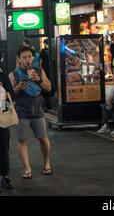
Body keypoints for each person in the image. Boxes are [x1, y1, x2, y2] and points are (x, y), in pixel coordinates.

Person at [9, 47, 52, 179]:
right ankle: (27, 168)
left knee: (43, 139)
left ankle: (47, 162)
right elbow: (8, 95)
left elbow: (49, 88)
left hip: (37, 110)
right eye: (24, 57)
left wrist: (38, 79)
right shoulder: (13, 75)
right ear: (19, 59)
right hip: (21, 111)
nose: (27, 59)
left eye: (29, 57)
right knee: (22, 140)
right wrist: (18, 87)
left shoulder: (39, 70)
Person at [0, 67, 14, 191]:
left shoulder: (3, 76)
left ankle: (4, 176)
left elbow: (11, 95)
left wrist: (3, 91)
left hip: (1, 118)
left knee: (3, 147)